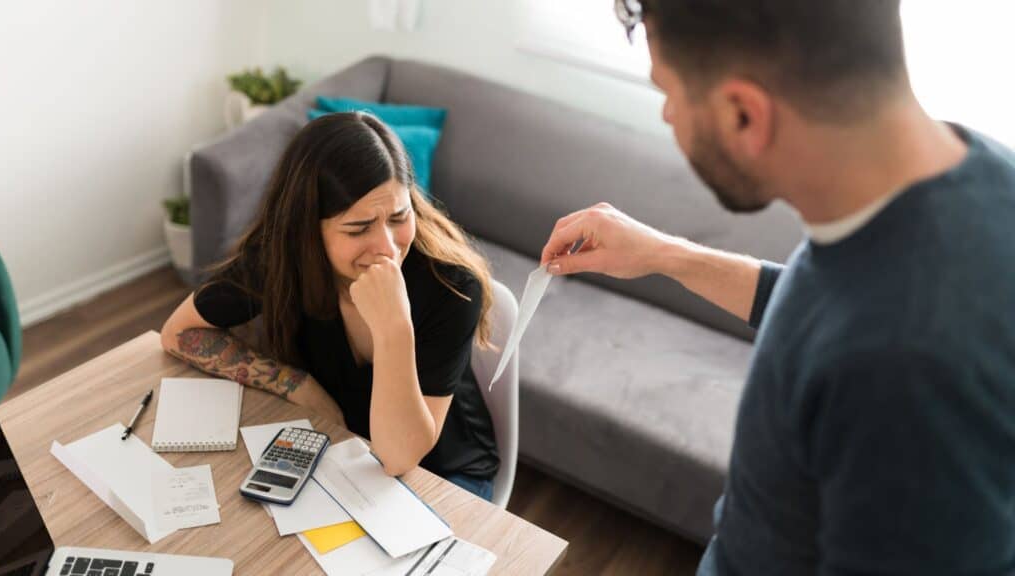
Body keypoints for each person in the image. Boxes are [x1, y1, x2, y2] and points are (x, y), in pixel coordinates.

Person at [541, 1, 1015, 574]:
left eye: (667, 92)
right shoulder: (973, 179)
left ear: (744, 114)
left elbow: (864, 337)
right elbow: (831, 303)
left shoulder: (905, 368)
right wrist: (666, 256)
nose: (667, 114)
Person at [160, 112, 499, 501]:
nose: (387, 248)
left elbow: (400, 457)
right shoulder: (282, 259)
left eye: (399, 218)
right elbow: (179, 333)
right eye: (359, 228)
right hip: (341, 446)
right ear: (306, 230)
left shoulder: (451, 287)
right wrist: (298, 386)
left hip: (443, 473)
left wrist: (393, 328)